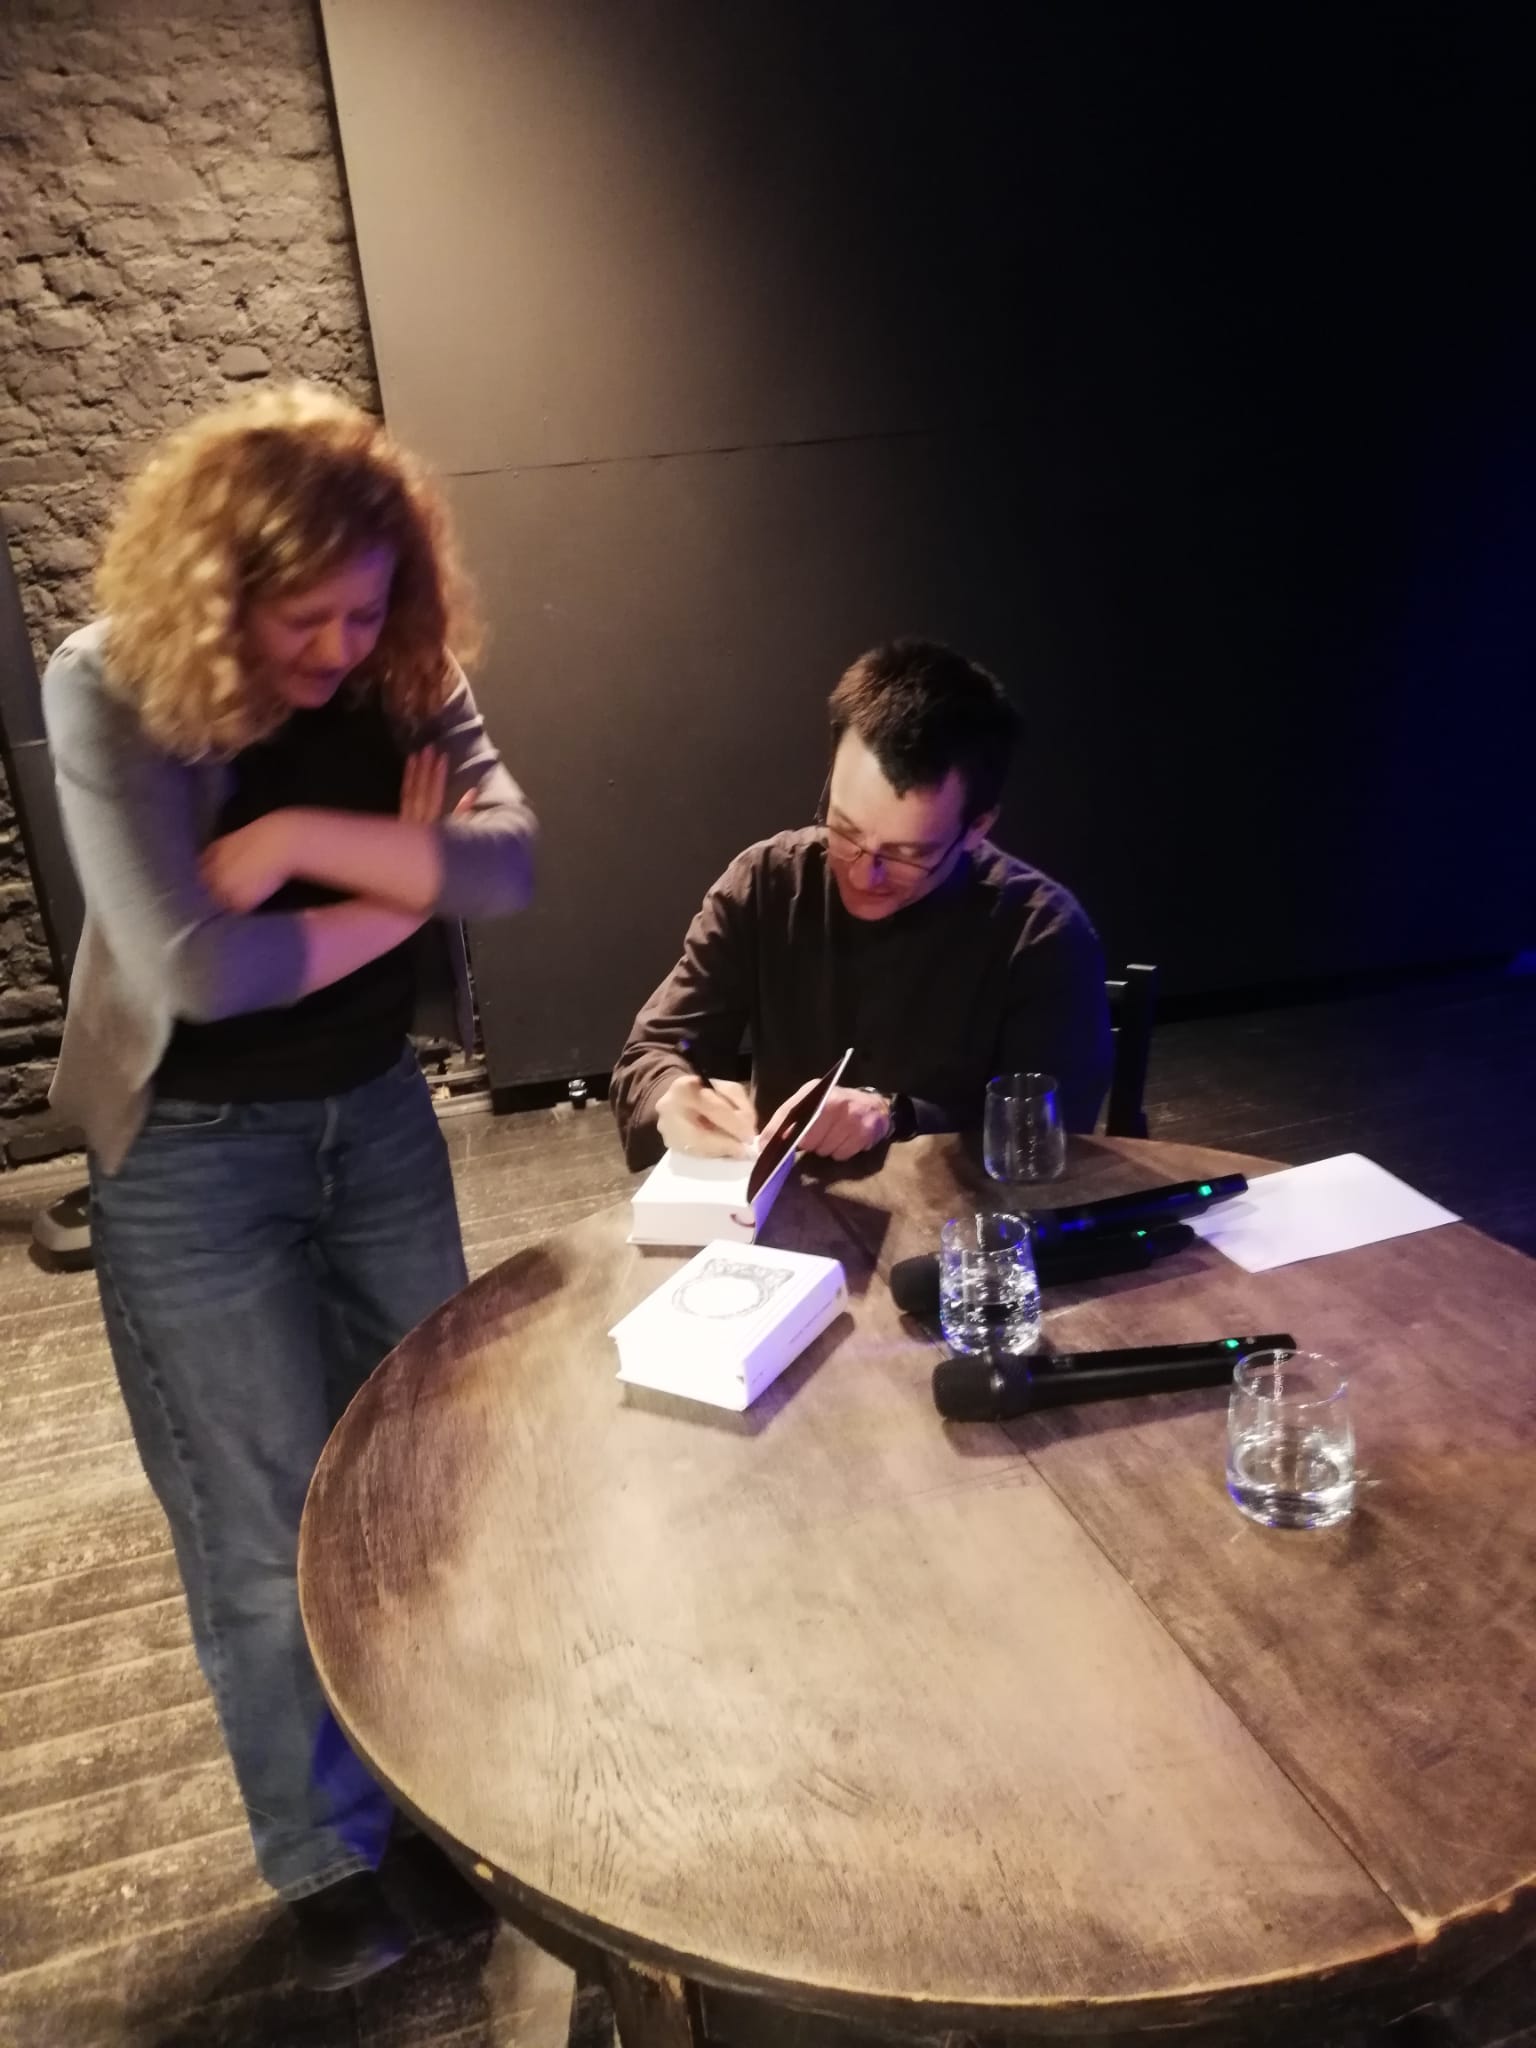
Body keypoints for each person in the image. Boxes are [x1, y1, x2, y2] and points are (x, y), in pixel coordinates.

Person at [42, 384, 536, 1988]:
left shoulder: (403, 659)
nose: (342, 648)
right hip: (192, 1157)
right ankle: (322, 1849)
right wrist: (399, 883)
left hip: (375, 1116)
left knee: (418, 1488)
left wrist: (299, 839)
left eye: (367, 611)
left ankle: (430, 1800)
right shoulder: (109, 684)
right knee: (260, 1528)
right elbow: (195, 971)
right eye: (303, 619)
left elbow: (512, 862)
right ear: (217, 590)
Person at [612, 638, 1111, 1169]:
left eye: (906, 854)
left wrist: (897, 1115)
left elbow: (1042, 1140)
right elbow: (650, 1055)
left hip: (966, 1213)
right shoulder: (766, 884)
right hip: (782, 1206)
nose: (862, 873)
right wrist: (671, 1095)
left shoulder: (1040, 935)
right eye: (845, 830)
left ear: (977, 827)